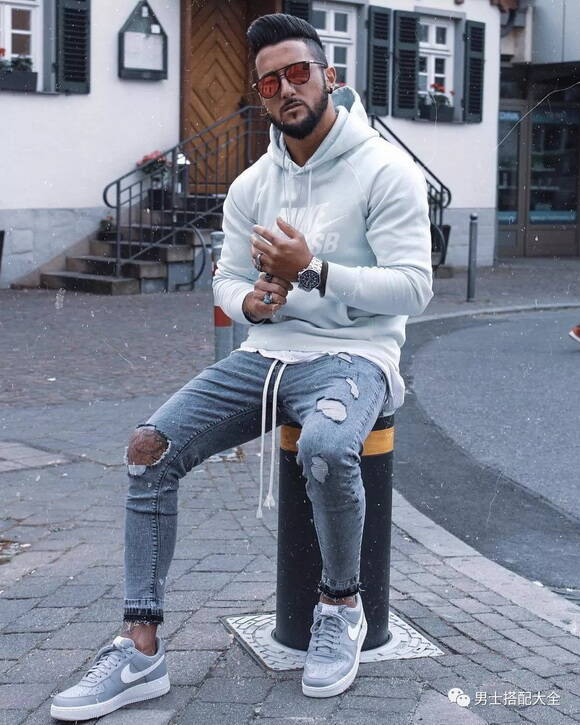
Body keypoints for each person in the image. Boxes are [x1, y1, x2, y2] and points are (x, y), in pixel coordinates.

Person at [50, 12, 433, 720]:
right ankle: (140, 648)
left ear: (329, 77)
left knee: (325, 448)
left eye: (298, 73)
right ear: (260, 95)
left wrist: (313, 270)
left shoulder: (387, 170)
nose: (286, 89)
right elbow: (226, 278)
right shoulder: (253, 183)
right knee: (147, 449)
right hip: (266, 354)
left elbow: (414, 289)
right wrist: (249, 302)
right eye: (270, 82)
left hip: (357, 355)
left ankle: (340, 607)